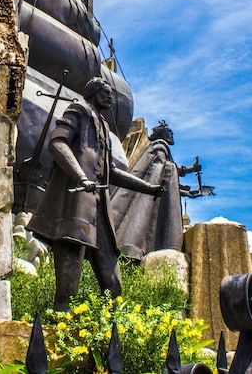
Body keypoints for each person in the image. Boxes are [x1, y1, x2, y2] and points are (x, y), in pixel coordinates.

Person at [27, 77, 162, 311]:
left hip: (100, 213)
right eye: (106, 92)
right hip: (75, 207)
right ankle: (60, 330)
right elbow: (58, 143)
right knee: (68, 285)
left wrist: (147, 188)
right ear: (92, 93)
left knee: (113, 284)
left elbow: (111, 171)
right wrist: (80, 176)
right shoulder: (78, 110)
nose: (111, 96)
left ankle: (109, 336)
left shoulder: (104, 127)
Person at [110, 120, 201, 260]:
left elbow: (164, 180)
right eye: (169, 132)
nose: (172, 135)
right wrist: (190, 169)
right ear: (162, 134)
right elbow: (164, 169)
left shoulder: (157, 149)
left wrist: (185, 191)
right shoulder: (159, 148)